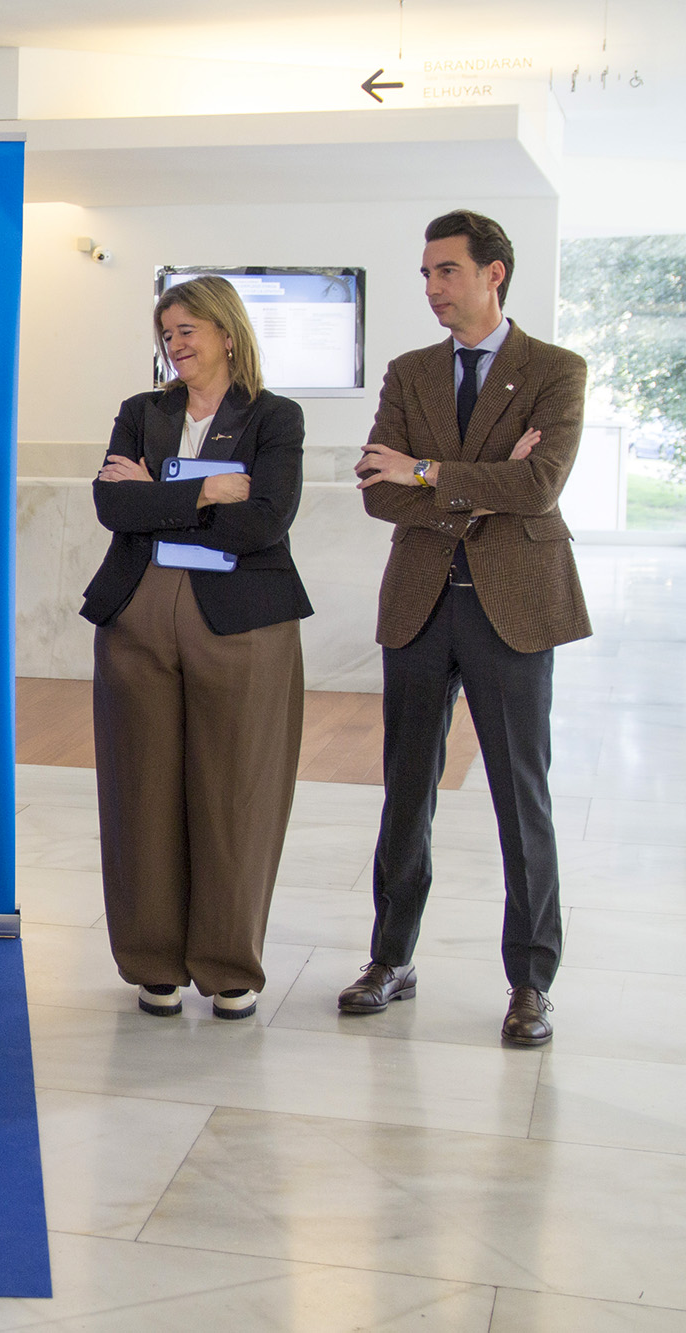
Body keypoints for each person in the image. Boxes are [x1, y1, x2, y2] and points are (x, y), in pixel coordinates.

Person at [345, 210, 585, 1046]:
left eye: (445, 270)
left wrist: (426, 470)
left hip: (513, 607)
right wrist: (482, 484)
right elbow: (377, 490)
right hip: (420, 601)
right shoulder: (410, 372)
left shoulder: (555, 370)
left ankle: (531, 981)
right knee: (406, 789)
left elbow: (540, 485)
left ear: (494, 274)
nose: (431, 287)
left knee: (521, 796)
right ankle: (390, 958)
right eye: (425, 273)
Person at [80, 275, 311, 1021]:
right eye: (167, 333)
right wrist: (208, 491)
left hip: (241, 620)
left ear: (227, 334)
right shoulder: (141, 412)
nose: (175, 344)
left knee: (236, 793)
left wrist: (159, 493)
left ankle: (228, 966)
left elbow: (266, 520)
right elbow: (112, 503)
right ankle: (154, 962)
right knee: (140, 790)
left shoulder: (275, 417)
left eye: (189, 330)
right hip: (137, 612)